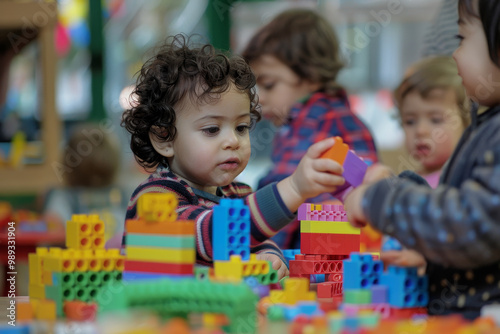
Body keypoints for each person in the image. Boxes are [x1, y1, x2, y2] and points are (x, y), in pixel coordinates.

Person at [121, 35, 346, 279]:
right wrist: (293, 188)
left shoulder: (237, 193)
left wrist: (271, 255)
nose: (233, 141)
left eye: (241, 127)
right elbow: (211, 233)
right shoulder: (156, 197)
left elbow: (253, 240)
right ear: (164, 139)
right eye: (212, 130)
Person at [345, 0, 500, 319]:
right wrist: (398, 186)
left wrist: (382, 199)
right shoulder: (487, 123)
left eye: (462, 39)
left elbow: (470, 223)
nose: (454, 54)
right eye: (411, 121)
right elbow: (454, 205)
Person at [241, 9, 378, 249]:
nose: (259, 98)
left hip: (323, 249)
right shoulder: (307, 122)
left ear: (312, 76)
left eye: (269, 84)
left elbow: (285, 190)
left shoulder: (319, 122)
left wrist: (258, 247)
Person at [381, 56, 470, 271]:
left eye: (435, 119)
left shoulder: (462, 180)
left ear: (467, 123)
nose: (420, 131)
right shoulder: (407, 179)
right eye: (410, 121)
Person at [43, 123, 127, 248]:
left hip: (77, 264)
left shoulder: (63, 197)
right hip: (116, 263)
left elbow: (51, 228)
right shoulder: (122, 195)